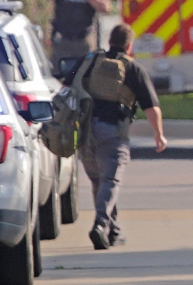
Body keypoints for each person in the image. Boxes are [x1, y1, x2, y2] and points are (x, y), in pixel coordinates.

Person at [63, 23, 167, 250]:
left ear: (109, 41)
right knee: (110, 181)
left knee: (100, 183)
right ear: (129, 46)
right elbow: (152, 108)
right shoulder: (133, 68)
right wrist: (159, 136)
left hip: (85, 132)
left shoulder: (89, 60)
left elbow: (65, 86)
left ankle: (112, 231)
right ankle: (100, 225)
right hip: (112, 132)